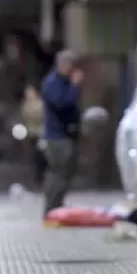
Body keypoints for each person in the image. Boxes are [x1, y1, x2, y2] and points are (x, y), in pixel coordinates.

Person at [40, 50, 82, 216]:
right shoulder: (53, 83)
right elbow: (62, 103)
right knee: (58, 173)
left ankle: (56, 205)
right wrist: (74, 86)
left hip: (65, 135)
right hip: (56, 138)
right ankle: (51, 207)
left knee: (65, 173)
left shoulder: (63, 82)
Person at [21, 84, 47, 187]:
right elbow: (24, 116)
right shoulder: (25, 105)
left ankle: (42, 176)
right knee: (34, 156)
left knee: (41, 155)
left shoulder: (40, 104)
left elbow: (42, 116)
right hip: (31, 133)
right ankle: (37, 177)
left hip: (40, 133)